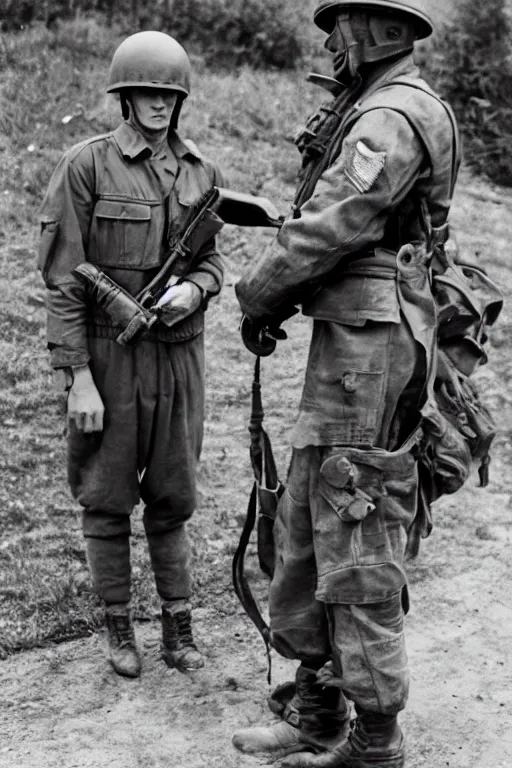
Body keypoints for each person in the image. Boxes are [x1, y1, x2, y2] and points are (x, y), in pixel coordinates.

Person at [232, 2, 460, 766]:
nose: (330, 43)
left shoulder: (393, 115)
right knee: (309, 514)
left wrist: (258, 292)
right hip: (355, 339)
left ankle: (373, 738)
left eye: (341, 27)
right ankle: (318, 706)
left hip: (371, 347)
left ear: (378, 31)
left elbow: (335, 222)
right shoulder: (375, 105)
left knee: (350, 519)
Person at [38, 31, 224, 679]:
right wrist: (78, 382)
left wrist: (194, 291)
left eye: (169, 95)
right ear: (125, 96)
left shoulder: (202, 171)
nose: (158, 105)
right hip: (109, 358)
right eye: (146, 92)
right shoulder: (86, 165)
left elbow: (213, 263)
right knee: (106, 495)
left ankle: (178, 626)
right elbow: (64, 280)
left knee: (174, 496)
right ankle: (119, 627)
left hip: (178, 357)